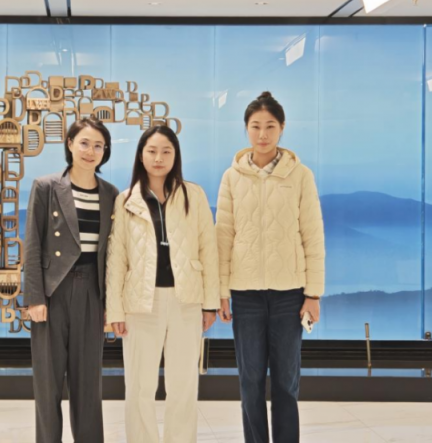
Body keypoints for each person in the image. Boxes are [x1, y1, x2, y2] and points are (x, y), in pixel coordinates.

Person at [216, 91, 325, 443]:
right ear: (246, 129)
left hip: (289, 294)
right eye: (255, 126)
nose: (262, 134)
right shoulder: (231, 177)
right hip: (245, 294)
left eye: (270, 126)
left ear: (282, 128)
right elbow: (223, 236)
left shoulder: (300, 175)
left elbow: (313, 236)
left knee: (285, 382)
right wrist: (221, 293)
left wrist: (313, 294)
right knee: (249, 381)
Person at [107, 125, 220, 443]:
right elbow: (117, 258)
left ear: (175, 156)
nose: (158, 158)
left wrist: (210, 303)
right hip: (140, 303)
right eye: (152, 151)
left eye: (166, 151)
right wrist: (115, 310)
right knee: (139, 386)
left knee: (184, 385)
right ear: (141, 155)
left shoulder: (193, 195)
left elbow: (208, 250)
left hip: (186, 300)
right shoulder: (126, 200)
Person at [24, 117, 120, 443]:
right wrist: (34, 297)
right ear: (70, 144)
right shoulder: (46, 187)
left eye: (98, 146)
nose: (90, 151)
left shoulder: (110, 194)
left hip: (93, 290)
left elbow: (112, 254)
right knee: (48, 383)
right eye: (84, 143)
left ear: (105, 151)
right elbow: (33, 244)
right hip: (54, 290)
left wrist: (110, 303)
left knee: (88, 384)